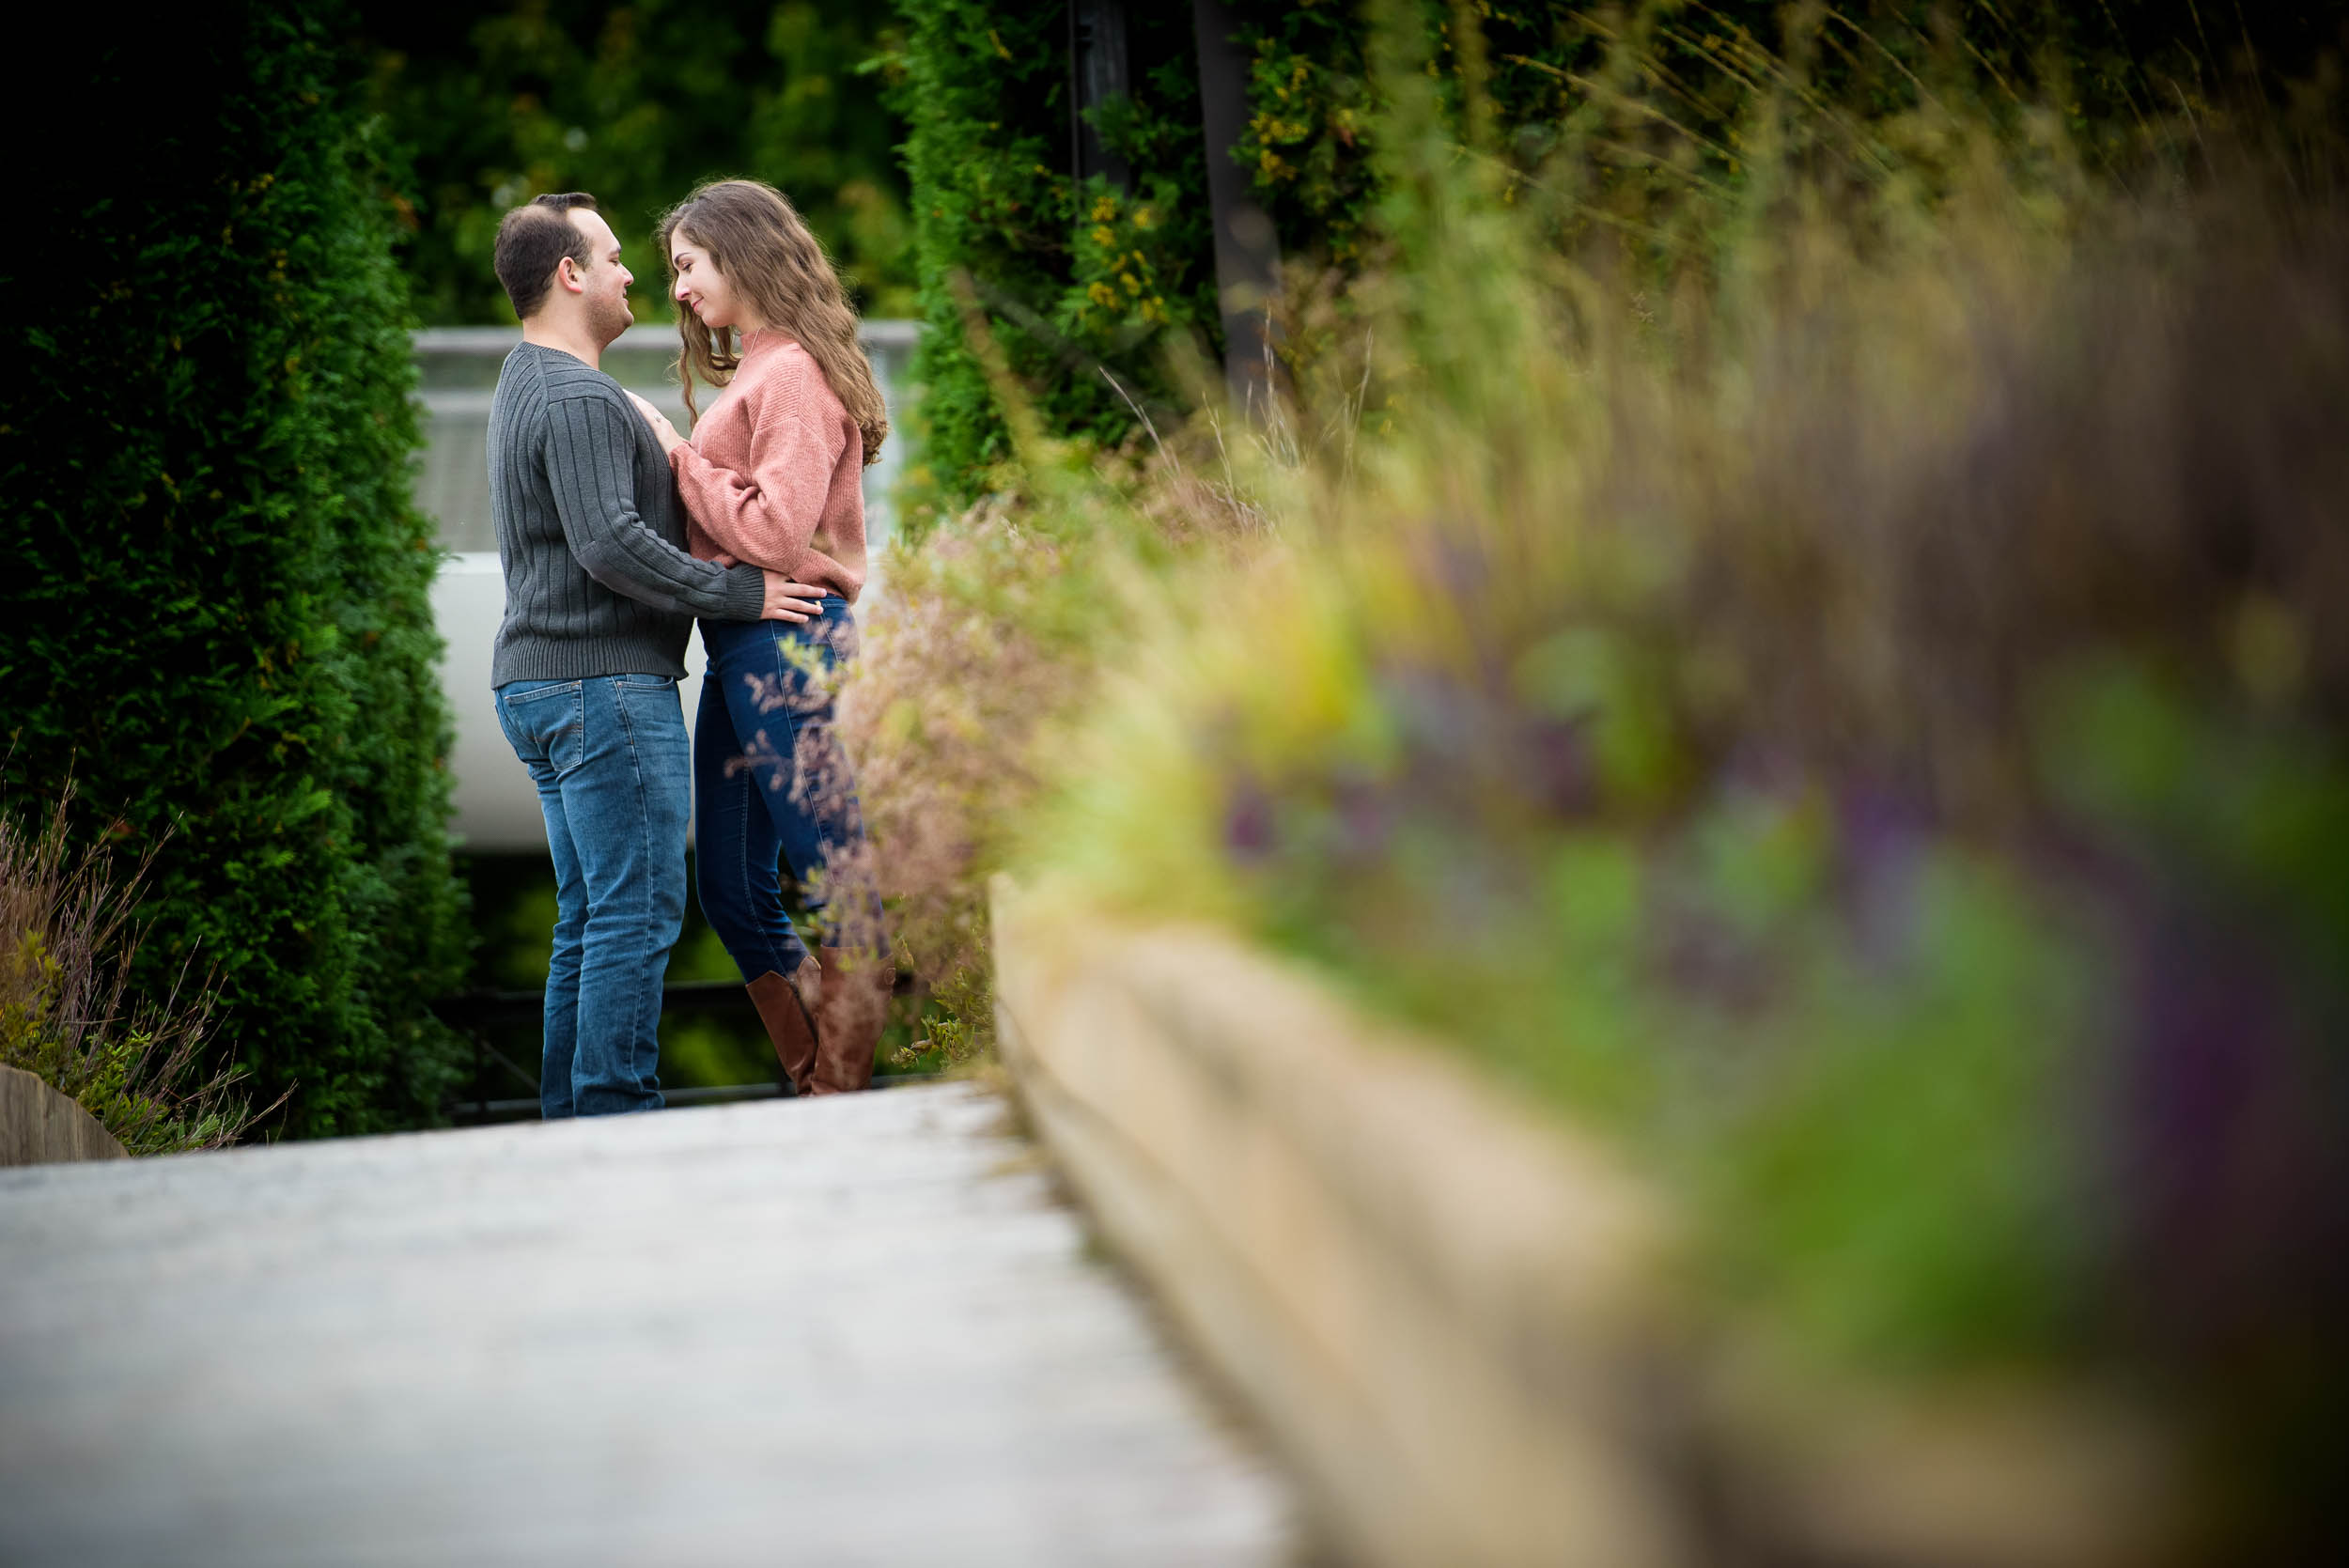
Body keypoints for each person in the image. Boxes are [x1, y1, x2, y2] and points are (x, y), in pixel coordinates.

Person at [486, 192, 828, 1117]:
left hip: (541, 685)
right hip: (603, 689)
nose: (632, 273)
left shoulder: (522, 382)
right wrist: (742, 591)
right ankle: (615, 1118)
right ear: (568, 275)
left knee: (591, 919)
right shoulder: (580, 396)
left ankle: (574, 1119)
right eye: (609, 257)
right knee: (636, 915)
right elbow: (609, 545)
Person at [622, 179, 894, 1096]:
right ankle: (818, 1075)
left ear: (740, 253)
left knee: (830, 867)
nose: (680, 289)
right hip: (747, 639)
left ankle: (838, 1097)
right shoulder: (764, 370)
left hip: (792, 638)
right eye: (671, 272)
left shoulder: (789, 375)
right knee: (733, 891)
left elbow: (777, 534)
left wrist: (677, 455)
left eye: (688, 265)